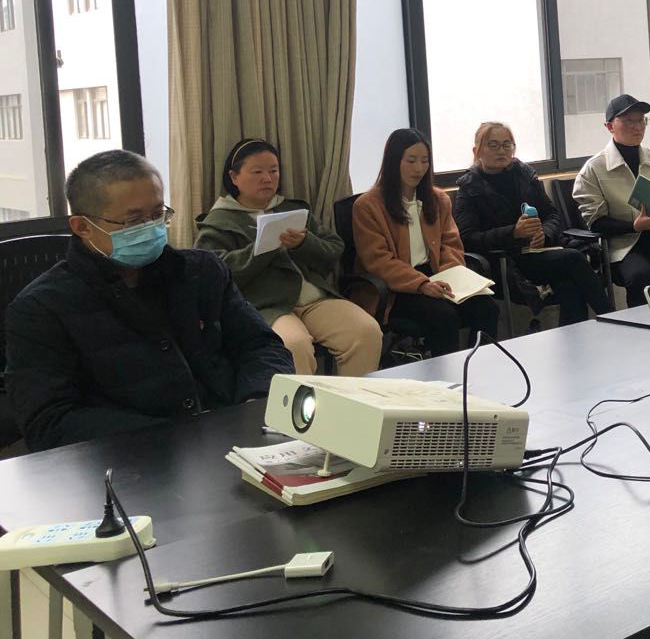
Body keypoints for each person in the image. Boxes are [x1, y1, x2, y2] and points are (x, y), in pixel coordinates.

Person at [4, 150, 293, 451]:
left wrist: (257, 399)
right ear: (83, 227)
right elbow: (49, 421)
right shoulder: (41, 308)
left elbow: (260, 344)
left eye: (157, 215)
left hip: (232, 435)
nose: (150, 227)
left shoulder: (201, 271)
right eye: (134, 220)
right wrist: (173, 438)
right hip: (131, 457)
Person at [195, 138, 381, 376]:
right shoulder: (219, 221)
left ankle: (353, 398)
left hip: (314, 300)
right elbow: (213, 274)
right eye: (257, 172)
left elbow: (334, 248)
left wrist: (304, 243)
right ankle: (304, 402)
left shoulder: (291, 209)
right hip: (266, 306)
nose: (267, 178)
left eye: (274, 171)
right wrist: (261, 249)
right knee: (293, 345)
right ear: (234, 177)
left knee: (366, 332)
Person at [352, 128, 498, 356]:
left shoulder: (438, 199)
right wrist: (421, 284)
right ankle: (445, 376)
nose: (419, 168)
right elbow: (378, 261)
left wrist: (451, 276)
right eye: (411, 161)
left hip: (437, 276)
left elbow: (450, 244)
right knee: (444, 316)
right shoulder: (368, 206)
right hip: (396, 288)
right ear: (394, 162)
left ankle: (477, 367)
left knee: (488, 308)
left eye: (424, 161)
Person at [453, 121, 606, 326]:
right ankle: (612, 318)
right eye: (493, 145)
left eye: (507, 144)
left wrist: (544, 233)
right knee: (574, 259)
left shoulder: (524, 175)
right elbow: (467, 239)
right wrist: (513, 233)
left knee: (569, 286)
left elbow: (552, 214)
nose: (502, 151)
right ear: (477, 151)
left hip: (537, 252)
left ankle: (576, 342)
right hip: (504, 261)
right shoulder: (469, 186)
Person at [573, 94, 650, 307]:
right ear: (609, 126)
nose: (637, 127)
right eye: (629, 121)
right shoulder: (594, 169)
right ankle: (642, 326)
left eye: (641, 120)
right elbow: (596, 222)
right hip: (625, 246)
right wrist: (634, 226)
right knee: (641, 276)